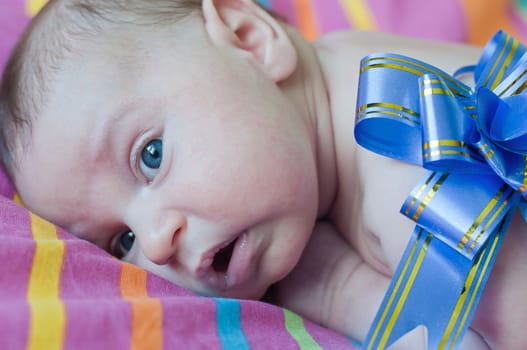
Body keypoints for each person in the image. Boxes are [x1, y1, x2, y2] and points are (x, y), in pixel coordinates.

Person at [1, 0, 526, 348]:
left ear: (251, 39)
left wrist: (339, 292)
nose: (157, 245)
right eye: (122, 241)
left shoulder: (407, 172)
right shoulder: (338, 62)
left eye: (152, 155)